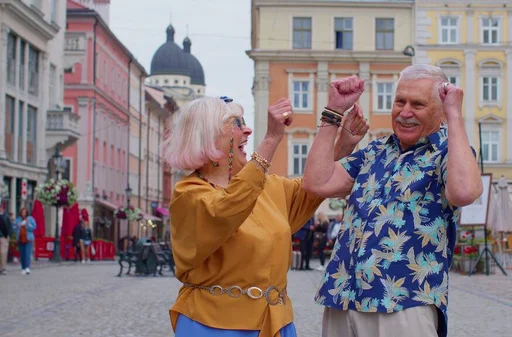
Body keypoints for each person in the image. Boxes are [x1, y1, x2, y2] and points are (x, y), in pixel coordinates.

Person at [162, 95, 368, 337]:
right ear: (207, 136)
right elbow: (227, 209)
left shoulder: (269, 187)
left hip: (274, 323)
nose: (247, 130)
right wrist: (271, 139)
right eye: (236, 124)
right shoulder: (189, 194)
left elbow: (314, 188)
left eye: (244, 122)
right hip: (214, 325)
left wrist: (343, 144)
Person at [302, 65, 483, 337]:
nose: (405, 112)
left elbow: (465, 192)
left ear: (440, 110)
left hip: (404, 301)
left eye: (418, 104)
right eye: (400, 101)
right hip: (343, 296)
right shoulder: (375, 151)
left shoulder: (448, 153)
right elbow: (316, 183)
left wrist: (455, 116)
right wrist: (333, 112)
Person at [14, 207, 36, 275]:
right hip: (20, 239)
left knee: (27, 254)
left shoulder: (30, 219)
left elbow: (34, 227)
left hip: (28, 239)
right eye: (22, 212)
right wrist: (18, 225)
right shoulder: (18, 219)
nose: (23, 213)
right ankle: (23, 268)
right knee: (22, 255)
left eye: (25, 212)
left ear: (27, 213)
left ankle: (27, 268)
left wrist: (27, 224)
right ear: (20, 213)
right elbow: (14, 227)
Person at [0, 205, 12, 275]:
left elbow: (10, 226)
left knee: (3, 253)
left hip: (4, 237)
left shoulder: (6, 216)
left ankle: (3, 268)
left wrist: (8, 235)